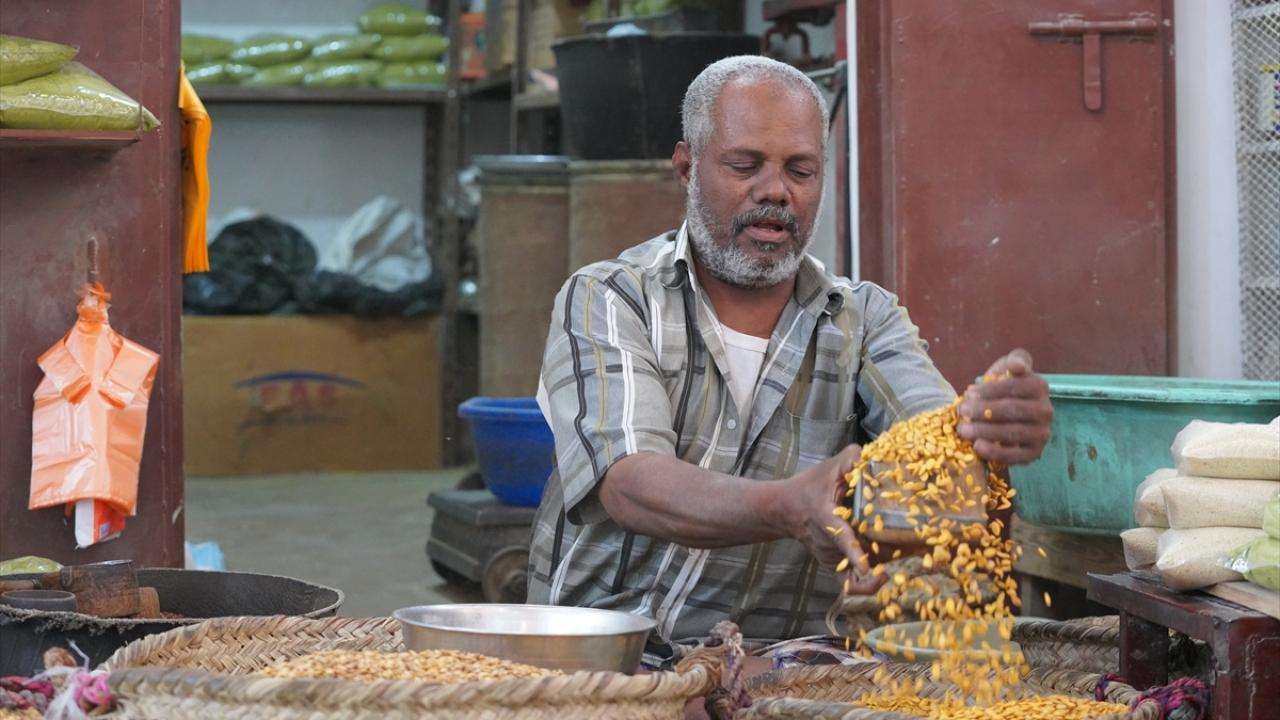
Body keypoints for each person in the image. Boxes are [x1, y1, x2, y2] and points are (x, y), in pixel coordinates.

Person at [527, 56, 1053, 647]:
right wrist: (785, 506)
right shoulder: (611, 297)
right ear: (687, 168)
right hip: (603, 661)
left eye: (800, 171)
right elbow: (628, 483)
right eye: (744, 165)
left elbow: (933, 446)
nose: (775, 191)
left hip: (777, 669)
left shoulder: (864, 320)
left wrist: (983, 434)